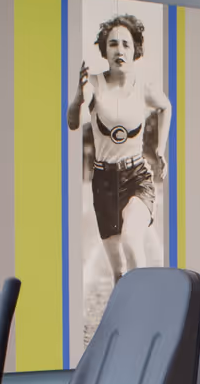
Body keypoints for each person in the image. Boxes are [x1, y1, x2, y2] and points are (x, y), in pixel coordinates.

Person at [67, 14, 169, 284]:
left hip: (137, 176)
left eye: (126, 43)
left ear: (135, 49)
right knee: (119, 274)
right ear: (104, 50)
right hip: (103, 183)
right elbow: (72, 122)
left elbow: (165, 107)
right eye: (113, 44)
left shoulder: (144, 87)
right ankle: (130, 320)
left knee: (132, 240)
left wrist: (161, 147)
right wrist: (78, 95)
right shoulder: (93, 85)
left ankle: (147, 311)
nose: (119, 50)